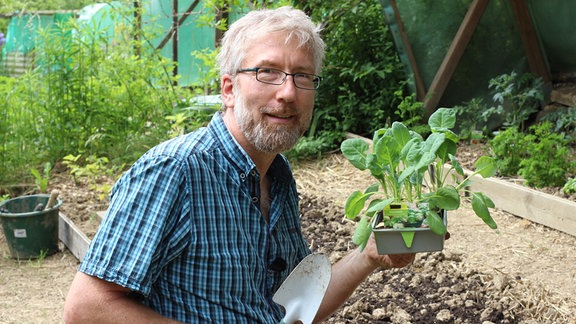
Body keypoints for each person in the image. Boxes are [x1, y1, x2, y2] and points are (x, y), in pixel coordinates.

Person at [63, 6, 414, 323]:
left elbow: (293, 309)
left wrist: (367, 256)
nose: (288, 93)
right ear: (229, 89)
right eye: (267, 71)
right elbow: (87, 308)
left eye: (302, 76)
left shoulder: (277, 175)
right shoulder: (175, 171)